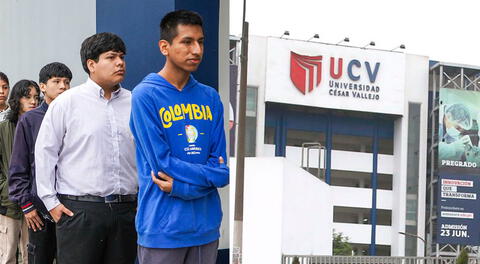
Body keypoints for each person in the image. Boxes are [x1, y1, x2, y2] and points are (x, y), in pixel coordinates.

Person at [130, 10, 229, 264]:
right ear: (165, 47)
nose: (196, 50)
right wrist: (206, 178)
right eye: (187, 42)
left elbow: (222, 171)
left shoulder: (210, 98)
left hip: (206, 228)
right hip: (163, 227)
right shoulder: (145, 96)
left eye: (201, 42)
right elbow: (161, 164)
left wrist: (181, 186)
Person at [35, 33, 137, 264]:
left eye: (122, 56)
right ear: (91, 64)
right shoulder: (67, 102)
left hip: (127, 210)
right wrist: (51, 203)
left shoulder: (135, 102)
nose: (120, 62)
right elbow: (44, 153)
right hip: (80, 211)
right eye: (111, 57)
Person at [9, 62, 72, 264]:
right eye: (57, 81)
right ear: (43, 86)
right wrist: (27, 205)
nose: (63, 86)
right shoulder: (30, 120)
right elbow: (19, 167)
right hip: (40, 210)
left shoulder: (75, 114)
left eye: (67, 82)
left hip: (72, 207)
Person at [0, 79, 40, 264]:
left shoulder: (41, 126)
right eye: (27, 96)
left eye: (36, 97)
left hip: (34, 203)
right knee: (7, 256)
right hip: (8, 205)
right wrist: (4, 190)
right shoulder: (3, 128)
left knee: (30, 255)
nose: (33, 101)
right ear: (17, 99)